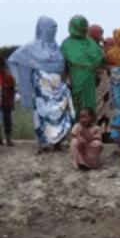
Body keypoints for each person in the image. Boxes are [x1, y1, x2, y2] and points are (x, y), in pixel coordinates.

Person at [8, 16, 74, 153]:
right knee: (43, 114)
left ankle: (58, 141)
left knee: (61, 113)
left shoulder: (57, 48)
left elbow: (61, 67)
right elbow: (14, 59)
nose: (53, 32)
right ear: (42, 29)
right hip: (42, 89)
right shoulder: (31, 48)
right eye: (51, 28)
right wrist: (21, 80)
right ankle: (44, 142)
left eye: (55, 29)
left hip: (58, 88)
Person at [60, 15, 103, 114]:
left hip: (84, 80)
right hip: (78, 80)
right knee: (79, 106)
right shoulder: (68, 44)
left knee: (85, 105)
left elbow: (99, 60)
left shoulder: (68, 44)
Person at [0, 57, 17, 146]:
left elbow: (12, 90)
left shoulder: (8, 77)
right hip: (4, 101)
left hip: (6, 101)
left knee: (7, 121)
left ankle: (8, 138)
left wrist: (12, 102)